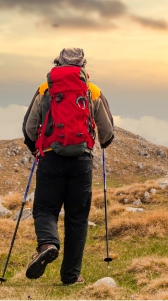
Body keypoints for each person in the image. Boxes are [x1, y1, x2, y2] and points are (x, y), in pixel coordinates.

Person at [22, 48, 114, 285]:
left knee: (44, 209)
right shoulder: (92, 91)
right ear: (83, 65)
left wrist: (35, 148)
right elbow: (108, 132)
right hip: (81, 162)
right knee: (77, 218)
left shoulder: (46, 88)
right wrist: (101, 142)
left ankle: (49, 244)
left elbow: (29, 128)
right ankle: (71, 276)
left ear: (57, 64)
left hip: (51, 158)